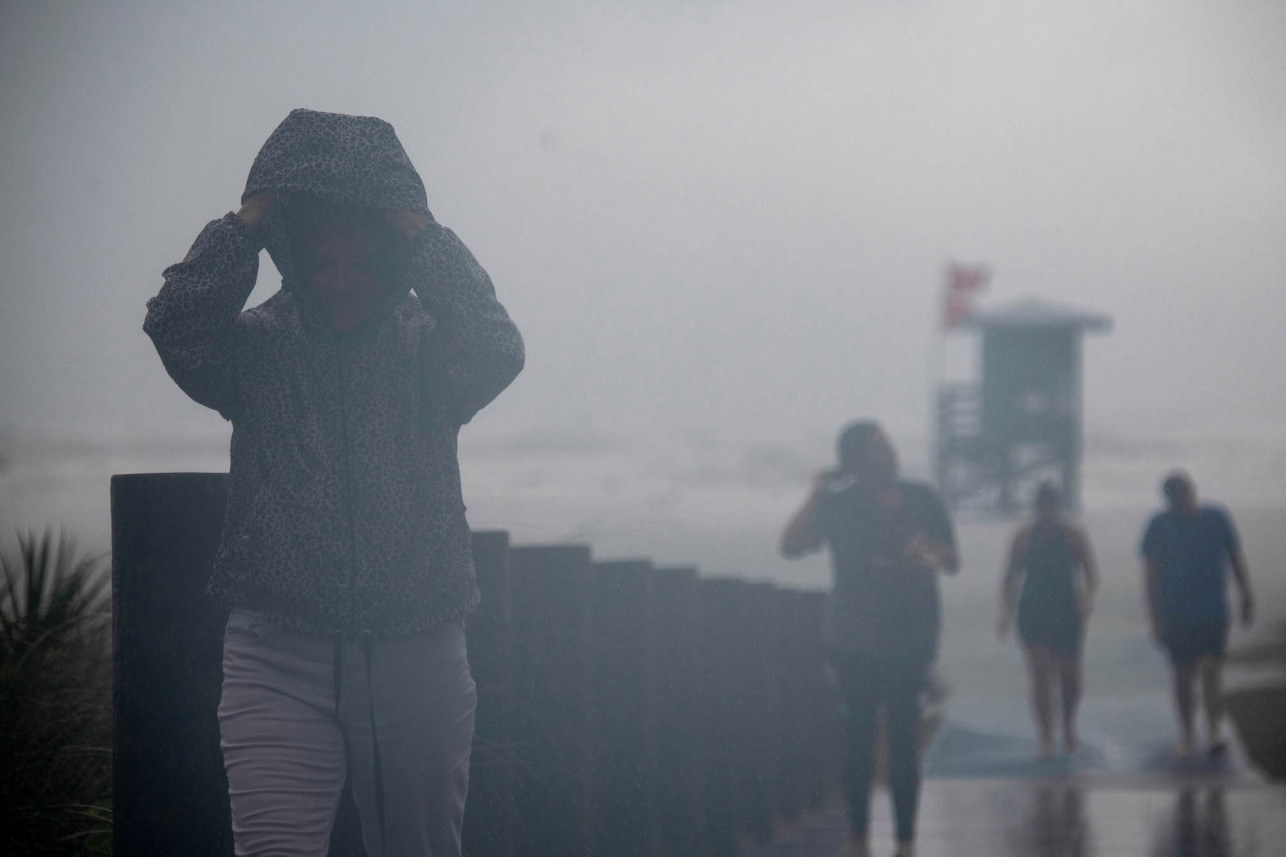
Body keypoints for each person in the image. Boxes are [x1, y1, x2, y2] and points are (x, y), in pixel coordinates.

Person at [144, 109, 525, 856]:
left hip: (417, 648)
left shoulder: (429, 353)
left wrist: (420, 229)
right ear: (294, 257)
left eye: (362, 263)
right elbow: (176, 323)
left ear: (392, 260)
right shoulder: (255, 351)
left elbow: (496, 345)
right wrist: (249, 219)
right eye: (323, 263)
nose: (342, 282)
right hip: (275, 651)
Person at [780, 421, 957, 857]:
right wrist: (817, 493)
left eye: (889, 443)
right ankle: (858, 838)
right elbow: (791, 544)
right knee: (857, 739)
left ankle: (905, 839)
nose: (889, 453)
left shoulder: (922, 497)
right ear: (854, 460)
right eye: (877, 447)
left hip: (912, 636)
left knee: (903, 738)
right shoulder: (839, 504)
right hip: (853, 638)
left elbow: (950, 560)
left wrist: (921, 550)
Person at [1141, 472, 1254, 757]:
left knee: (1212, 672)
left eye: (1187, 494)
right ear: (1168, 500)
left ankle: (1214, 729)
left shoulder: (1216, 517)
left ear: (1193, 492)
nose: (1184, 502)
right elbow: (1150, 574)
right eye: (1177, 498)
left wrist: (1246, 594)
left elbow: (1235, 557)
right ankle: (1188, 733)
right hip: (1175, 612)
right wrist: (1154, 616)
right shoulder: (1159, 525)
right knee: (1182, 677)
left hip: (1212, 609)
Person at [996, 481, 1098, 759]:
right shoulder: (1023, 537)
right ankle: (1046, 737)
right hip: (1033, 611)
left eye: (1052, 506)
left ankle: (1068, 724)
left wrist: (1086, 600)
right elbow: (1010, 576)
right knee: (1041, 676)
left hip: (1066, 610)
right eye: (1043, 507)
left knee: (1070, 678)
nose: (1047, 512)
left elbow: (1091, 573)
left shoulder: (1074, 535)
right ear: (1037, 508)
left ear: (1058, 507)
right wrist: (1005, 613)